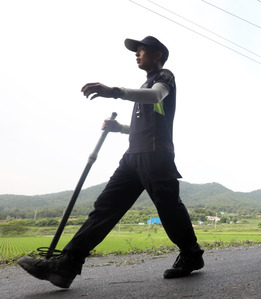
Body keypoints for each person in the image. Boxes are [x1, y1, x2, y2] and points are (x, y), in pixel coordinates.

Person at [18, 36, 204, 288]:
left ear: (158, 54)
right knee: (104, 208)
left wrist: (114, 92)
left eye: (141, 50)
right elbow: (147, 126)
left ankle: (191, 255)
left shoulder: (164, 78)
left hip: (156, 157)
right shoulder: (144, 86)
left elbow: (156, 97)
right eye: (136, 52)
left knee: (169, 209)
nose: (136, 54)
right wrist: (121, 128)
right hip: (132, 158)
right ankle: (67, 265)